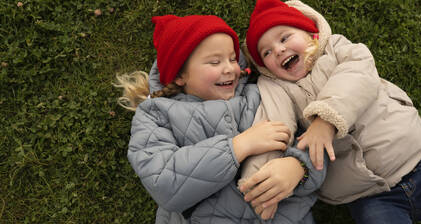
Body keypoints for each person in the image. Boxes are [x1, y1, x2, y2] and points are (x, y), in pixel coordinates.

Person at [240, 0, 421, 224]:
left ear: (311, 34)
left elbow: (357, 75)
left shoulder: (337, 48)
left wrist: (325, 120)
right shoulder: (276, 87)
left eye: (285, 37)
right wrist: (259, 181)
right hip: (364, 195)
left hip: (415, 167)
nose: (279, 50)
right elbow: (272, 127)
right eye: (266, 53)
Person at [117, 14, 326, 223]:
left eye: (233, 59)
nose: (229, 68)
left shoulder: (261, 94)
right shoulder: (156, 114)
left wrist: (299, 168)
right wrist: (238, 147)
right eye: (215, 62)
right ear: (180, 75)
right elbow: (163, 182)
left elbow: (312, 139)